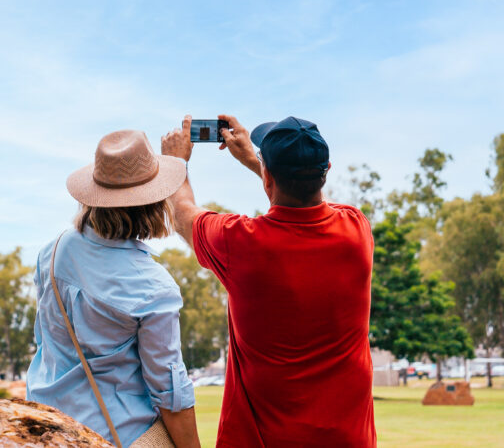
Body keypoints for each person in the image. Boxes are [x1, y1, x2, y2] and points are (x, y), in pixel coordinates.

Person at [161, 115, 376, 448]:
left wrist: (175, 162)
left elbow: (181, 210)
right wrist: (258, 163)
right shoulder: (356, 230)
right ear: (327, 169)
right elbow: (308, 204)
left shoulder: (239, 242)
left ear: (268, 177)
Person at [27, 130, 202, 448]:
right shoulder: (153, 287)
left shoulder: (51, 252)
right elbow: (170, 393)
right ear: (153, 200)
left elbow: (44, 341)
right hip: (117, 435)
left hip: (48, 429)